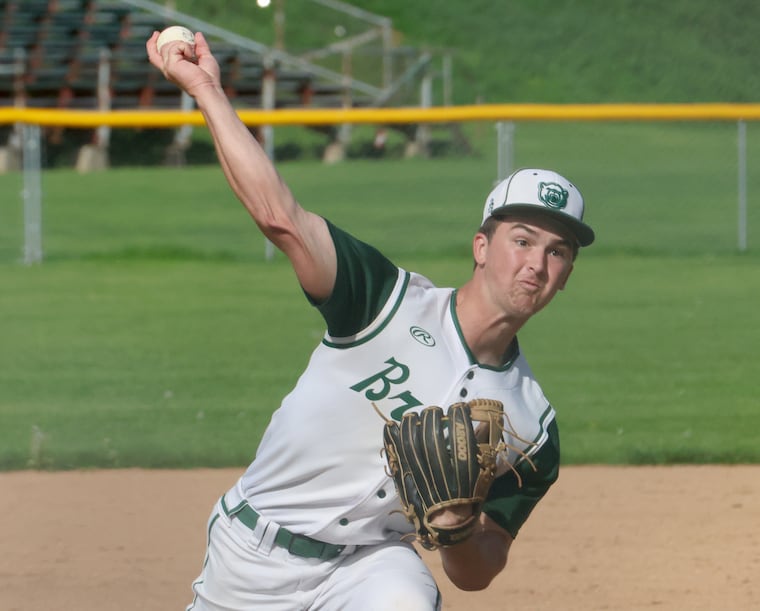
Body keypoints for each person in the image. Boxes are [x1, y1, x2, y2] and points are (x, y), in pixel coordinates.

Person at [147, 29, 595, 611]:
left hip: (367, 566)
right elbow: (281, 217)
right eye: (523, 240)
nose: (536, 264)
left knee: (406, 599)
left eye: (557, 252)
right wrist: (206, 89)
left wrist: (459, 529)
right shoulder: (384, 300)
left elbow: (478, 572)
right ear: (482, 247)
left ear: (566, 275)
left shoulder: (533, 427)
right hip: (253, 554)